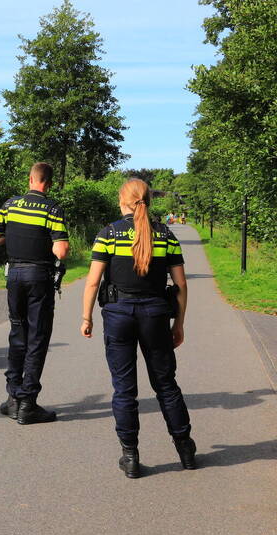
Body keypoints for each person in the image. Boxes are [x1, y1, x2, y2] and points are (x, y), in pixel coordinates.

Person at [80, 178, 196, 478]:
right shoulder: (166, 234)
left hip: (118, 316)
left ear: (123, 200)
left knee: (124, 389)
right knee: (166, 384)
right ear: (147, 201)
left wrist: (86, 317)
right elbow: (181, 285)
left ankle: (130, 456)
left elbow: (93, 281)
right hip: (156, 315)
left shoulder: (109, 234)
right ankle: (185, 448)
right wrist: (179, 323)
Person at [0, 162, 69, 425]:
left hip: (14, 276)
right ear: (49, 183)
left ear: (30, 179)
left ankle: (12, 398)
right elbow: (62, 251)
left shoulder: (10, 205)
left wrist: (10, 237)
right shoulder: (52, 209)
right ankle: (28, 404)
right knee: (37, 337)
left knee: (17, 333)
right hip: (39, 277)